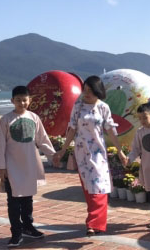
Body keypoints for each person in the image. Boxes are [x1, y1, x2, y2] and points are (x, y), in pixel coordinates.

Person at [53, 76, 128, 236]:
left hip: (98, 152)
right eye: (84, 90)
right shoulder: (78, 106)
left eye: (90, 90)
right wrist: (63, 150)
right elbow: (72, 129)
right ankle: (95, 224)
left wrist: (120, 151)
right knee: (89, 188)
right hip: (81, 153)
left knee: (98, 187)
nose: (86, 93)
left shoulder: (103, 107)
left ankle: (93, 224)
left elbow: (111, 131)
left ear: (97, 91)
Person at [0, 85, 57, 247]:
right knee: (14, 201)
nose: (21, 103)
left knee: (28, 199)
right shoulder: (5, 119)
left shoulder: (34, 117)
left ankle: (28, 227)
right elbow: (1, 145)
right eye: (18, 100)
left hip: (30, 164)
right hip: (12, 166)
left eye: (24, 100)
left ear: (30, 100)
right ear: (12, 101)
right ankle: (16, 232)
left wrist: (53, 155)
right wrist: (2, 167)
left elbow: (42, 139)